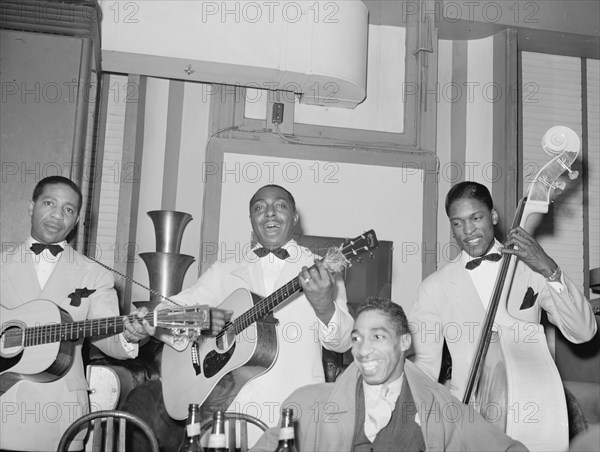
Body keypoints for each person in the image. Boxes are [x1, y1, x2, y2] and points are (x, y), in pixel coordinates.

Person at [153, 184, 354, 441]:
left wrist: (325, 307)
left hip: (295, 415)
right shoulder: (224, 271)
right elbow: (166, 311)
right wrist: (202, 325)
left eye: (280, 205)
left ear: (294, 217)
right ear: (251, 220)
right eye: (260, 207)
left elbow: (344, 342)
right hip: (228, 416)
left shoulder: (322, 271)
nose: (269, 213)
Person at [250, 298, 527, 451]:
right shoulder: (306, 404)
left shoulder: (442, 406)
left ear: (404, 343)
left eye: (378, 337)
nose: (363, 350)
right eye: (357, 338)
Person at [0, 176, 152, 451]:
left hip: (59, 416)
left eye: (68, 209)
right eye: (49, 203)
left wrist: (131, 335)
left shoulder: (94, 274)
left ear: (77, 219)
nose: (58, 215)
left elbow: (108, 339)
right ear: (31, 207)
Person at [410, 181, 596, 400]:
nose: (468, 231)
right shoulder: (434, 288)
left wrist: (549, 269)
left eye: (476, 218)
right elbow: (423, 370)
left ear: (494, 217)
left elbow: (583, 331)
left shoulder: (531, 268)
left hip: (532, 407)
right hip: (471, 416)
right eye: (458, 223)